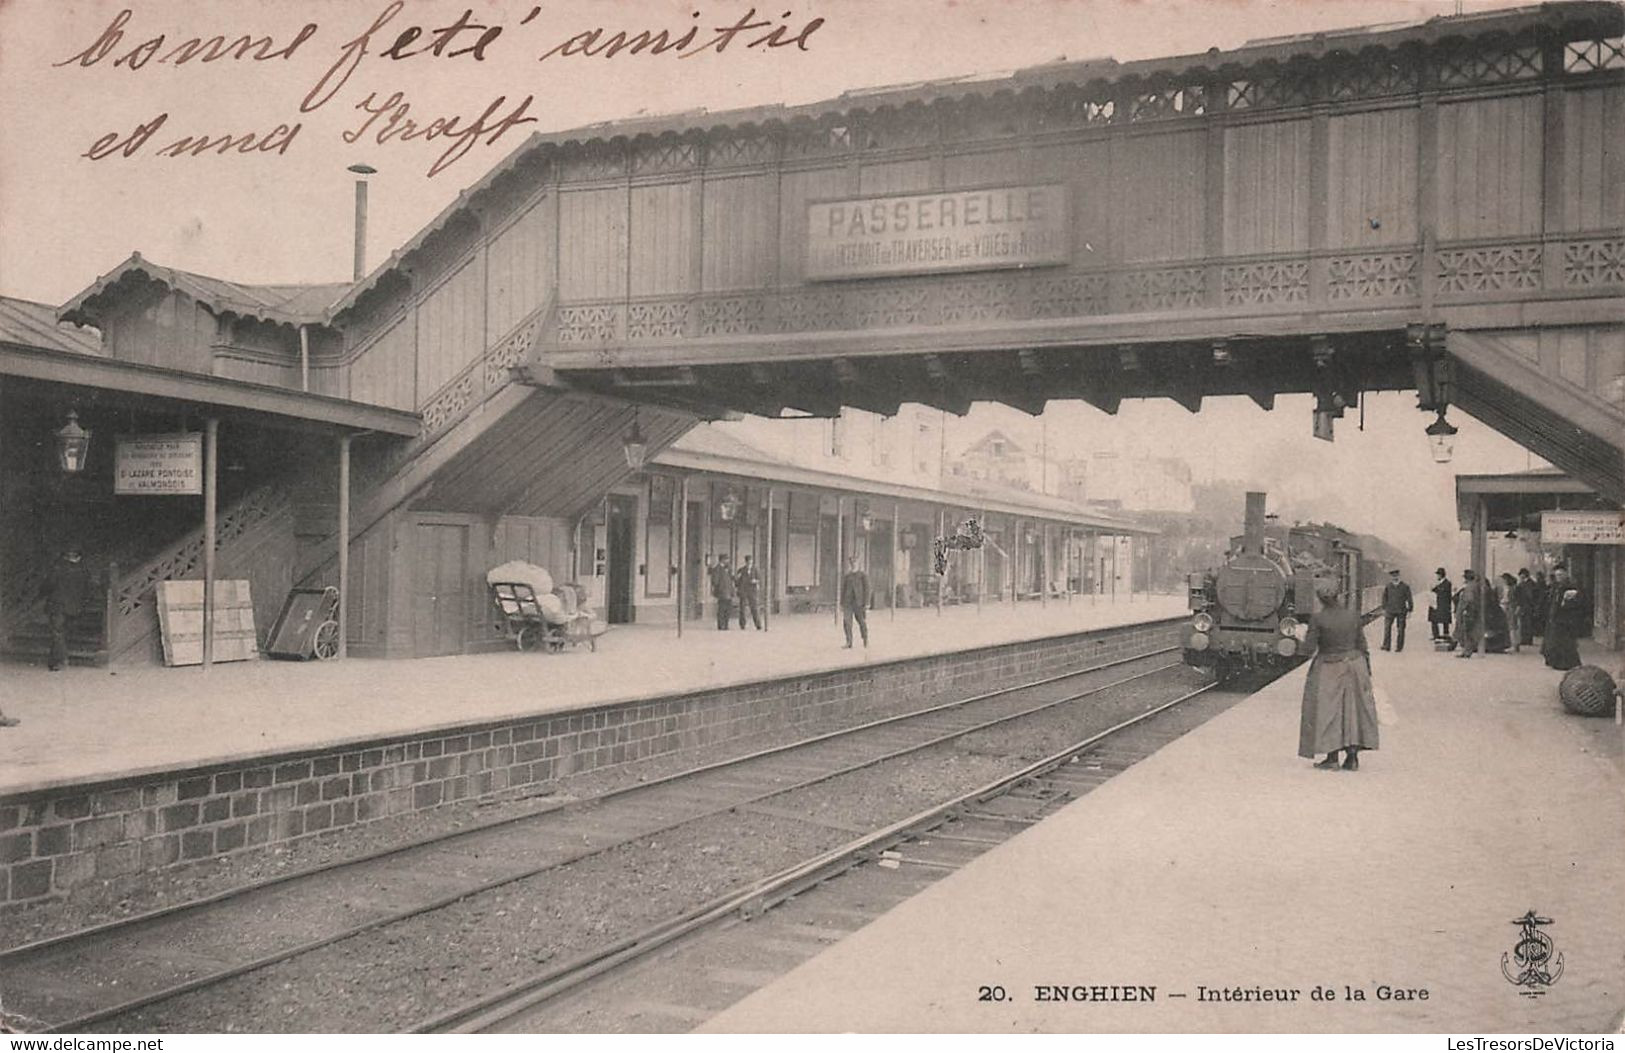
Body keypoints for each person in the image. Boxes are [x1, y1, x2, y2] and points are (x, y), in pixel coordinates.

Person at [1299, 580, 1378, 771]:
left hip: (1329, 667)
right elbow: (1362, 644)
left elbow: (1308, 649)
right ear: (1337, 596)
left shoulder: (1318, 618)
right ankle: (1352, 759)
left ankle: (1332, 757)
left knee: (1329, 711)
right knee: (1354, 710)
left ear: (1320, 599)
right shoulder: (1353, 616)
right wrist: (1367, 670)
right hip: (1356, 665)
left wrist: (1299, 636)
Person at [46, 548, 91, 672]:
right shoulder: (84, 570)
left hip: (57, 605)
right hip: (74, 607)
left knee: (57, 633)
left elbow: (49, 584)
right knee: (61, 633)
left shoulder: (58, 568)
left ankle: (61, 660)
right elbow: (88, 589)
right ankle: (54, 661)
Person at [1541, 565, 1587, 671]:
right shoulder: (1555, 586)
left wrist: (1567, 602)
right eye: (1557, 575)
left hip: (1566, 618)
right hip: (1554, 617)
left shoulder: (1571, 586)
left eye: (1561, 575)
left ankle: (1567, 663)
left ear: (1566, 575)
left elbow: (1579, 601)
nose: (1559, 577)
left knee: (1565, 642)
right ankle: (1555, 661)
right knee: (1553, 641)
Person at [839, 556, 870, 649]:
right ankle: (849, 642)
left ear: (858, 564)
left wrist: (867, 603)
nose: (853, 565)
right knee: (847, 622)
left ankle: (865, 639)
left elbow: (867, 589)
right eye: (852, 563)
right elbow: (843, 590)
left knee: (861, 622)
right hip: (848, 603)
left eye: (855, 563)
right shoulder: (847, 576)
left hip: (859, 603)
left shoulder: (863, 576)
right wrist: (841, 603)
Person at [1380, 569, 1412, 652]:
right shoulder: (1388, 586)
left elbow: (1409, 599)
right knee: (1387, 628)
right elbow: (1384, 598)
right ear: (1391, 577)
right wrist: (1384, 608)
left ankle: (1399, 647)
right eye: (1393, 576)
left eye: (1396, 576)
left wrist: (1410, 610)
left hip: (1401, 611)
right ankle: (1386, 645)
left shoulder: (1405, 586)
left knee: (1401, 629)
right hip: (1389, 610)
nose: (1394, 577)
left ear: (1399, 576)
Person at [1455, 569, 1484, 658]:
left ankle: (1467, 651)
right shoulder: (1474, 586)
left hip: (1468, 612)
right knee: (1468, 631)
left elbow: (1469, 599)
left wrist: (1465, 609)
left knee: (1467, 631)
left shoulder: (1469, 587)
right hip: (1471, 611)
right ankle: (1467, 650)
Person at [734, 554, 763, 630]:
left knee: (754, 608)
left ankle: (758, 624)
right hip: (744, 591)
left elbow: (760, 580)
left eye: (751, 562)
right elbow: (737, 582)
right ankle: (742, 624)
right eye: (748, 562)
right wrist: (738, 580)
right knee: (742, 609)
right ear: (746, 562)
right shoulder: (741, 570)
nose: (749, 564)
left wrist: (756, 581)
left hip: (752, 592)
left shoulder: (756, 570)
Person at [1513, 569, 1540, 647]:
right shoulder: (1526, 583)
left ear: (1524, 575)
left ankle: (1527, 639)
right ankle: (1525, 639)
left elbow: (1530, 595)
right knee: (1524, 622)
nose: (1520, 576)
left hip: (1527, 605)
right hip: (1526, 605)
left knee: (1527, 622)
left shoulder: (1528, 584)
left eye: (1521, 575)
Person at [710, 553, 736, 630]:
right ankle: (721, 625)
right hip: (722, 592)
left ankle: (726, 624)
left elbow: (733, 578)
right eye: (726, 559)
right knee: (722, 609)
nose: (727, 561)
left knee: (728, 609)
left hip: (729, 591)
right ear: (722, 560)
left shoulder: (729, 568)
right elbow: (715, 581)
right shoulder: (717, 569)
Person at [1428, 568, 1453, 643]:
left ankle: (1445, 635)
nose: (1437, 576)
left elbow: (1443, 593)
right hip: (1437, 604)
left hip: (1443, 605)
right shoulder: (1438, 583)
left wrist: (1436, 589)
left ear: (1441, 575)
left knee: (1444, 621)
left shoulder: (1447, 583)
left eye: (1438, 574)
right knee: (1434, 619)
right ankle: (1436, 635)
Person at [1500, 573, 1523, 654]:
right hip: (1511, 607)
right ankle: (1516, 644)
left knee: (1512, 627)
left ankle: (1513, 645)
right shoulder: (1513, 588)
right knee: (1514, 627)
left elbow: (1514, 599)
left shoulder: (1512, 589)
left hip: (1511, 608)